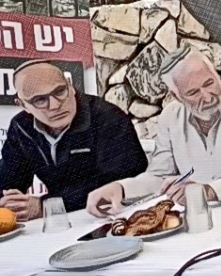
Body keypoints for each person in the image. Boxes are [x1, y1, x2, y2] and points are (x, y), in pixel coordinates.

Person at [86, 47, 221, 217]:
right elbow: (160, 177)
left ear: (216, 74)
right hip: (199, 217)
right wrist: (121, 188)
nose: (207, 97)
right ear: (177, 96)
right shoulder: (170, 117)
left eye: (209, 83)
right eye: (193, 92)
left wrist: (208, 190)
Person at [0, 60, 147, 220]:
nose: (55, 105)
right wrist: (8, 200)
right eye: (40, 100)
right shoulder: (21, 126)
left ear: (70, 85)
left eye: (60, 91)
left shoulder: (107, 117)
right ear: (22, 105)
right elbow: (9, 180)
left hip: (117, 215)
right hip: (63, 221)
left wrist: (47, 206)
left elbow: (119, 181)